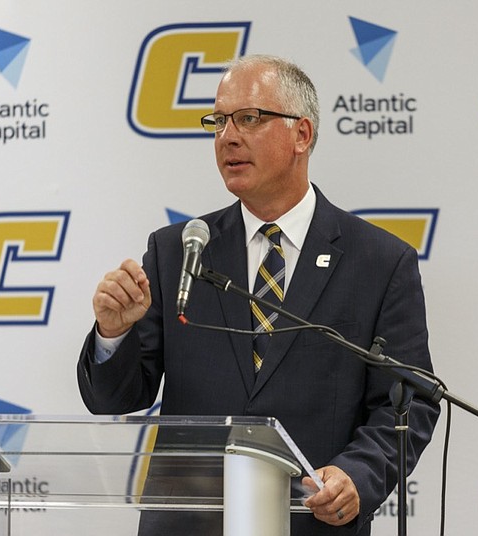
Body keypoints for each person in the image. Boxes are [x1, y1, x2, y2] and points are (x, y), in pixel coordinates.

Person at [78, 54, 440, 535]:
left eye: (249, 118)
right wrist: (113, 333)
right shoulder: (179, 251)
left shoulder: (378, 261)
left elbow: (408, 403)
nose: (228, 136)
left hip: (310, 523)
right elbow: (116, 397)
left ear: (302, 135)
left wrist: (358, 475)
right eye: (218, 121)